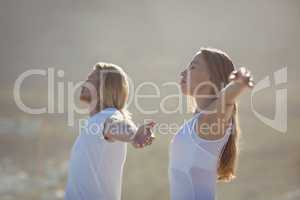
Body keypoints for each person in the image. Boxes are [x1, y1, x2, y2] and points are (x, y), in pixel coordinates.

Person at [169, 48, 254, 200]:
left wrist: (239, 84)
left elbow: (226, 100)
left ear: (212, 76)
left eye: (193, 67)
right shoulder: (198, 122)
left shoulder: (208, 123)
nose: (183, 72)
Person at [65, 62, 155, 200]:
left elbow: (116, 125)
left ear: (104, 88)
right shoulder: (95, 121)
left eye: (90, 80)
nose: (84, 83)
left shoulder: (106, 115)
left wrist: (134, 135)